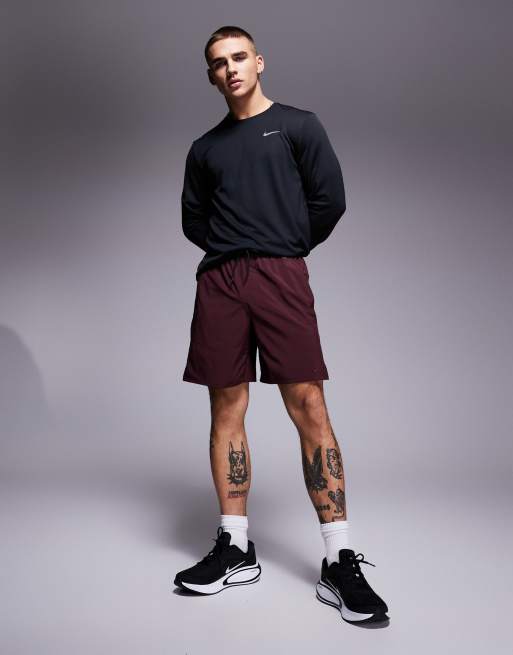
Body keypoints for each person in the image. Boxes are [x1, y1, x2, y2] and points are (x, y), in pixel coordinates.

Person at [174, 25, 389, 627]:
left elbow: (330, 200)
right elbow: (193, 219)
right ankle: (235, 546)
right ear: (211, 76)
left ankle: (338, 558)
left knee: (308, 404)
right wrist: (232, 248)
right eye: (219, 63)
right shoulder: (204, 149)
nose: (231, 68)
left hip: (281, 275)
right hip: (220, 282)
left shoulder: (298, 126)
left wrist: (284, 245)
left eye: (239, 57)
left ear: (259, 61)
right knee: (226, 407)